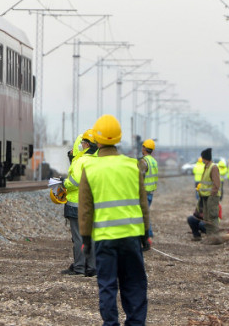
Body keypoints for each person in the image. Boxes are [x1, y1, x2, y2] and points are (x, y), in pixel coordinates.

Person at [79, 114, 149, 326]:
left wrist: (86, 239)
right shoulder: (132, 165)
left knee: (108, 285)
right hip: (131, 237)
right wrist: (146, 234)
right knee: (135, 283)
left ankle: (111, 323)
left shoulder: (89, 169)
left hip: (104, 239)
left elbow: (85, 210)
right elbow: (143, 203)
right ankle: (136, 323)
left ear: (97, 141)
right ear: (118, 139)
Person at [61, 131, 97, 276]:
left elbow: (74, 182)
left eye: (82, 143)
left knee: (78, 238)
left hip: (77, 205)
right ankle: (92, 267)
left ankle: (79, 267)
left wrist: (64, 183)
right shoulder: (98, 161)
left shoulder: (81, 161)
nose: (80, 145)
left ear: (86, 144)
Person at [193, 148, 221, 239]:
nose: (202, 160)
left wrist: (212, 194)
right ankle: (210, 236)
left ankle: (215, 236)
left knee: (212, 216)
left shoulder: (213, 167)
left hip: (211, 196)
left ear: (205, 158)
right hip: (205, 196)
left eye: (202, 158)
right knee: (207, 217)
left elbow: (216, 183)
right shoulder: (207, 167)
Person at [139, 138, 158, 243]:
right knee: (146, 213)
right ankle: (149, 233)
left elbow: (138, 177)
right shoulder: (154, 161)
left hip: (144, 192)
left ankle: (148, 235)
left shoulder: (144, 161)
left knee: (142, 214)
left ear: (144, 148)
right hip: (151, 192)